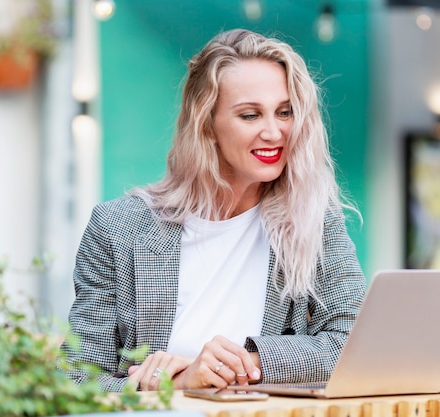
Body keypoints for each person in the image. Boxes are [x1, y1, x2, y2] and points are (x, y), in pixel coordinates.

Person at [59, 28, 367, 392]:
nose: (274, 132)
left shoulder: (313, 218)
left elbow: (351, 345)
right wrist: (168, 385)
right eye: (250, 115)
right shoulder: (117, 228)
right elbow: (75, 381)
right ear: (207, 125)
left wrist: (236, 365)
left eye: (284, 112)